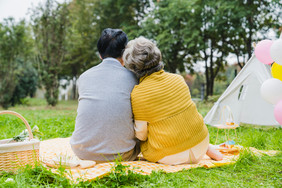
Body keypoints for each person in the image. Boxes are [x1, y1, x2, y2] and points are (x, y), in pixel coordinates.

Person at [123, 37, 223, 165]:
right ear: (157, 56)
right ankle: (208, 149)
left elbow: (141, 135)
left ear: (133, 67)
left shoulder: (138, 93)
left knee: (145, 142)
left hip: (170, 156)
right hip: (201, 143)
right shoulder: (178, 79)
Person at [70, 28, 140, 163]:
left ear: (100, 54)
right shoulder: (133, 78)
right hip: (122, 154)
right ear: (125, 53)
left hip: (83, 152)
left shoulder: (84, 77)